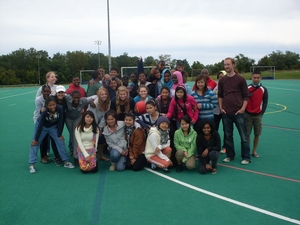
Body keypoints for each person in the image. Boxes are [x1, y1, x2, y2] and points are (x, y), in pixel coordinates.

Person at [218, 57, 251, 165]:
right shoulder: (222, 80)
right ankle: (230, 155)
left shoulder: (240, 79)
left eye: (228, 64)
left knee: (243, 136)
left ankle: (246, 156)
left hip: (239, 113)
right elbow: (220, 95)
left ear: (233, 65)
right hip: (226, 113)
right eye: (225, 65)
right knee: (228, 136)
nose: (226, 66)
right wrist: (221, 108)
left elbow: (246, 96)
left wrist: (242, 109)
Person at [28, 96, 75, 173]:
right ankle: (32, 165)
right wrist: (36, 139)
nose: (52, 107)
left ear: (55, 104)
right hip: (42, 127)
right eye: (50, 105)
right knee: (34, 144)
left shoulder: (60, 109)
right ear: (46, 105)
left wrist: (59, 134)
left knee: (60, 141)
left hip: (52, 127)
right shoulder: (44, 112)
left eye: (53, 104)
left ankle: (66, 162)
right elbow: (39, 126)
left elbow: (60, 122)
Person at [65, 90, 96, 164]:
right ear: (71, 97)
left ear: (80, 97)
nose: (76, 99)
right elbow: (58, 93)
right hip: (68, 119)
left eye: (78, 97)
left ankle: (76, 156)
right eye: (74, 97)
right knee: (72, 135)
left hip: (77, 118)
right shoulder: (67, 98)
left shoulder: (83, 101)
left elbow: (95, 96)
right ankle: (74, 151)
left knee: (76, 136)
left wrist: (91, 100)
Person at [246, 71, 268, 158]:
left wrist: (261, 113)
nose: (256, 79)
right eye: (254, 77)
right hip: (248, 115)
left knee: (257, 133)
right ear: (251, 77)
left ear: (260, 78)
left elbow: (265, 102)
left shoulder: (264, 89)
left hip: (258, 115)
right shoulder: (247, 88)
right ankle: (246, 150)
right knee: (247, 134)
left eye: (257, 78)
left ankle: (254, 150)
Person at [87, 87, 111, 161]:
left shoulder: (108, 102)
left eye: (105, 94)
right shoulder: (94, 103)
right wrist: (96, 129)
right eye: (102, 94)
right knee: (91, 139)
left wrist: (100, 128)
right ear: (98, 95)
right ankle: (92, 156)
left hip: (100, 124)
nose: (104, 96)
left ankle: (101, 155)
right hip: (90, 122)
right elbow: (92, 117)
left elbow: (105, 116)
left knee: (101, 138)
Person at [213, 71, 227, 153]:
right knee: (215, 129)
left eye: (222, 76)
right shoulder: (217, 86)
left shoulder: (228, 86)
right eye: (219, 76)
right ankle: (215, 145)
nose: (221, 78)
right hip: (216, 111)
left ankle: (225, 146)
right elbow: (213, 96)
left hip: (225, 110)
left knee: (226, 130)